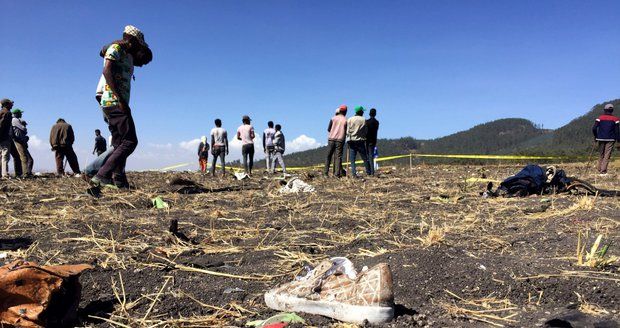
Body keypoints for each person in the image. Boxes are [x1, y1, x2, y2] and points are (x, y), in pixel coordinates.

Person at [91, 25, 152, 188]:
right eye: (139, 45)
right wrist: (120, 100)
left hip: (116, 102)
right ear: (132, 40)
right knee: (130, 141)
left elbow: (142, 59)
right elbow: (107, 70)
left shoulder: (127, 54)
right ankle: (101, 175)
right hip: (114, 102)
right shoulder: (116, 47)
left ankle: (119, 179)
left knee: (118, 144)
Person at [592, 103, 620, 175]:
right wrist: (618, 141)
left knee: (601, 154)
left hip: (600, 138)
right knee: (607, 155)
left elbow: (594, 128)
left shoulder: (600, 118)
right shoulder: (616, 119)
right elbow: (617, 131)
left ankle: (599, 169)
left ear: (604, 110)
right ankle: (603, 171)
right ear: (612, 110)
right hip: (611, 139)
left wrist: (596, 136)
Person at [347, 106, 372, 177]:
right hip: (361, 141)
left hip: (352, 141)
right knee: (365, 158)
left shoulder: (350, 119)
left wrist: (348, 139)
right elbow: (366, 131)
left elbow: (347, 131)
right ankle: (368, 172)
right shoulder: (364, 120)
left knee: (352, 159)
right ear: (360, 112)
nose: (363, 112)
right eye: (363, 111)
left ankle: (353, 173)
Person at [324, 105, 348, 177]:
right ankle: (336, 174)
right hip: (340, 140)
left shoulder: (333, 118)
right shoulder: (346, 120)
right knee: (338, 157)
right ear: (345, 112)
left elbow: (328, 129)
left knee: (328, 156)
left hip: (331, 139)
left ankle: (326, 173)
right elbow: (346, 131)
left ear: (339, 111)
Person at [11, 109, 33, 178]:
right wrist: (23, 127)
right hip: (19, 141)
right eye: (20, 113)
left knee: (26, 158)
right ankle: (25, 174)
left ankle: (25, 173)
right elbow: (23, 129)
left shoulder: (15, 120)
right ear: (17, 113)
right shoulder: (15, 120)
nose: (21, 114)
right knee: (24, 158)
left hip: (19, 140)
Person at [0, 99, 14, 179]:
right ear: (7, 104)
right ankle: (4, 174)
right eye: (10, 104)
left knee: (1, 156)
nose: (12, 105)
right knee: (5, 156)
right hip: (4, 137)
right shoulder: (7, 113)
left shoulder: (1, 112)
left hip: (2, 137)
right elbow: (2, 126)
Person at [365, 108, 380, 175]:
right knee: (370, 155)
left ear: (369, 114)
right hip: (374, 140)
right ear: (375, 114)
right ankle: (371, 171)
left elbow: (366, 131)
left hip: (368, 140)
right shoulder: (377, 122)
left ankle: (371, 171)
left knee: (369, 156)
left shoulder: (367, 122)